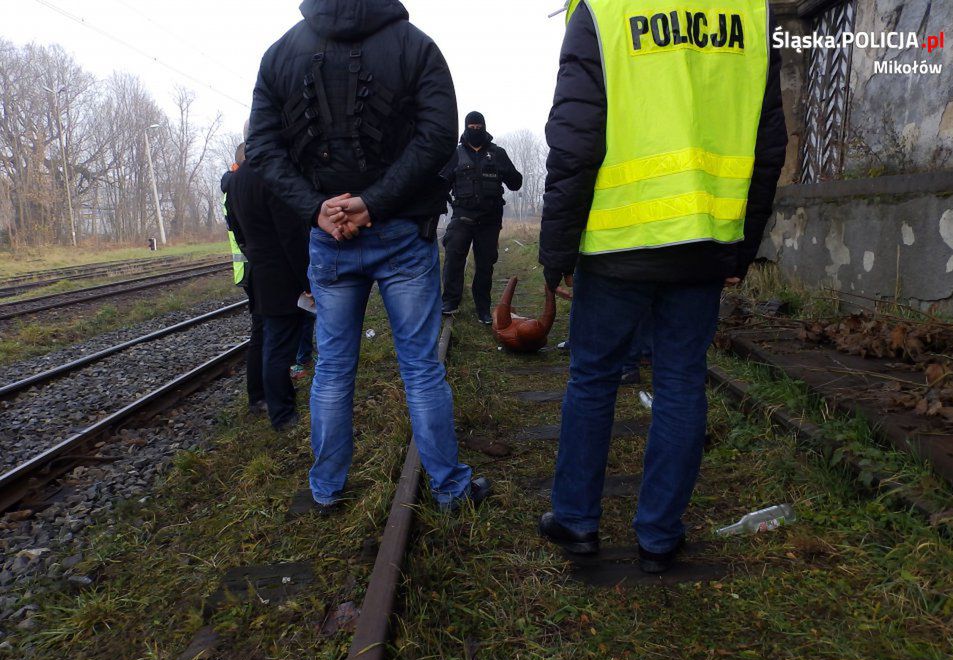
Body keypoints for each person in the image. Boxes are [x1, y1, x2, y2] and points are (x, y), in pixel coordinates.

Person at [538, 0, 788, 573]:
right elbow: (768, 141)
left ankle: (576, 520)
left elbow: (575, 141)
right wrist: (741, 246)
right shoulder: (750, 13)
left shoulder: (601, 11)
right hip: (704, 240)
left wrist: (557, 251)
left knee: (593, 377)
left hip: (617, 242)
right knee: (680, 382)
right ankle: (659, 535)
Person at [247, 0, 489, 514]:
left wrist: (318, 209)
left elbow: (263, 149)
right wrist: (373, 204)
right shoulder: (415, 45)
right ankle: (450, 488)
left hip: (330, 236)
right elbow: (437, 136)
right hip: (401, 231)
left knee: (332, 370)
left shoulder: (281, 53)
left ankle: (326, 489)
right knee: (422, 369)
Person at [224, 141, 311, 432]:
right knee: (279, 347)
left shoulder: (237, 179)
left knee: (265, 340)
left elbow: (237, 229)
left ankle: (265, 400)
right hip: (282, 275)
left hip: (260, 272)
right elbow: (291, 234)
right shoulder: (270, 173)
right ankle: (283, 414)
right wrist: (306, 279)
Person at [440, 112, 523, 324]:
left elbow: (516, 183)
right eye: (471, 126)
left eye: (479, 126)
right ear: (466, 127)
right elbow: (441, 185)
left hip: (489, 220)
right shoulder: (455, 154)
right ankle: (450, 302)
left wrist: (507, 172)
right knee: (453, 256)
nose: (475, 130)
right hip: (462, 217)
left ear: (484, 127)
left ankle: (483, 309)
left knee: (485, 264)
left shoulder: (497, 154)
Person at [221, 148, 265, 416]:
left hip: (249, 268)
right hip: (258, 268)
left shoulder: (231, 186)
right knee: (264, 332)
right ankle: (260, 397)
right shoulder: (244, 184)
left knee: (263, 331)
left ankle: (261, 394)